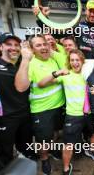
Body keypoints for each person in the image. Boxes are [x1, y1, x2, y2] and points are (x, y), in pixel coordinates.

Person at [37, 49, 94, 174]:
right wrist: (57, 73)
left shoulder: (89, 74)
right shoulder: (66, 75)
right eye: (72, 60)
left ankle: (91, 150)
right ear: (69, 61)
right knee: (68, 144)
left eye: (77, 60)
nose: (74, 62)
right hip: (73, 116)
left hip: (90, 114)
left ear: (82, 61)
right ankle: (66, 169)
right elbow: (41, 83)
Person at [15, 35, 65, 175]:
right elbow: (20, 86)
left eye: (44, 44)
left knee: (55, 133)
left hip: (59, 105)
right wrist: (25, 59)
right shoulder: (31, 64)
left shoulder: (53, 59)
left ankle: (52, 149)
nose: (43, 47)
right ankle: (44, 158)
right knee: (43, 140)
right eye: (38, 45)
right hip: (42, 110)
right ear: (32, 49)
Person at [0, 33, 34, 172]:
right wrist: (25, 60)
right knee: (4, 154)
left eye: (16, 45)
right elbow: (21, 86)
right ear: (0, 46)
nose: (13, 48)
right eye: (9, 44)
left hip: (24, 114)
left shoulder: (18, 66)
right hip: (5, 119)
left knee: (26, 147)